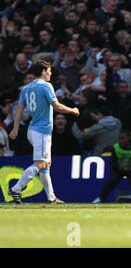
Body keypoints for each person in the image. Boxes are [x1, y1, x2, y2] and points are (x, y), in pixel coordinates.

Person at [8, 61, 79, 204]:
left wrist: (15, 127)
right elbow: (57, 106)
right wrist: (73, 110)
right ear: (43, 71)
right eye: (49, 70)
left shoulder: (26, 88)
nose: (51, 73)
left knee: (46, 165)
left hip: (32, 130)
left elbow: (19, 110)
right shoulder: (46, 86)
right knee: (40, 163)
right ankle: (16, 188)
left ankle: (51, 197)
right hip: (42, 131)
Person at [93, 130, 131, 203]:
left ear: (129, 138)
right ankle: (101, 198)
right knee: (111, 181)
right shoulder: (115, 147)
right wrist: (120, 167)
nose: (121, 140)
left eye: (123, 138)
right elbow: (112, 162)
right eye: (120, 138)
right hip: (118, 170)